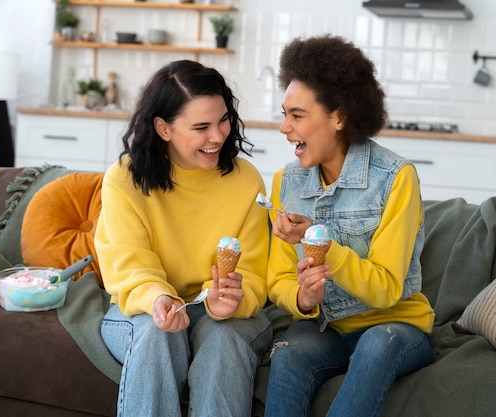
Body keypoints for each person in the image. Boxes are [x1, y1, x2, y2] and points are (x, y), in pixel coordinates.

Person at [265, 35, 435, 417]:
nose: (284, 128)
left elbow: (387, 288)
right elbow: (277, 278)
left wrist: (321, 247)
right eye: (284, 114)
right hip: (327, 328)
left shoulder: (395, 177)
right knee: (289, 356)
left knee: (377, 345)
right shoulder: (286, 183)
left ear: (339, 117)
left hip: (395, 326)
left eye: (296, 115)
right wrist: (302, 300)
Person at [94, 60, 272, 417]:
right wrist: (157, 296)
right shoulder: (123, 179)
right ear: (163, 128)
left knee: (223, 341)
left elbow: (252, 271)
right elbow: (127, 260)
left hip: (222, 313)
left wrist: (234, 298)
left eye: (223, 120)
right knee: (158, 334)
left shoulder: (246, 180)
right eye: (201, 127)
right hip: (145, 305)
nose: (219, 136)